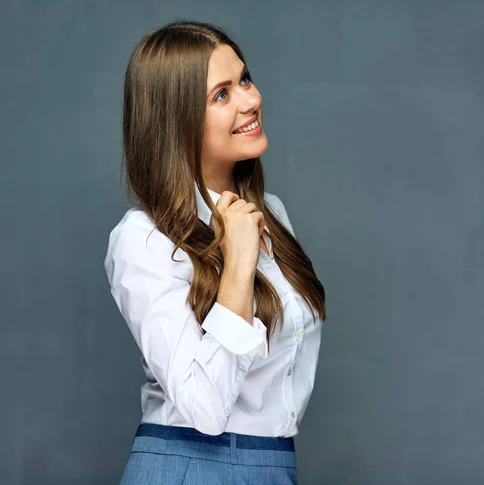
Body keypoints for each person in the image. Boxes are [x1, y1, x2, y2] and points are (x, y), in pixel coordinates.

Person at [103, 20, 327, 485]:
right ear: (176, 120)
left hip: (273, 465)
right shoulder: (145, 238)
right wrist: (239, 265)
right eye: (221, 95)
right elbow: (204, 407)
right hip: (188, 466)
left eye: (244, 79)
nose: (251, 100)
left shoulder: (273, 215)